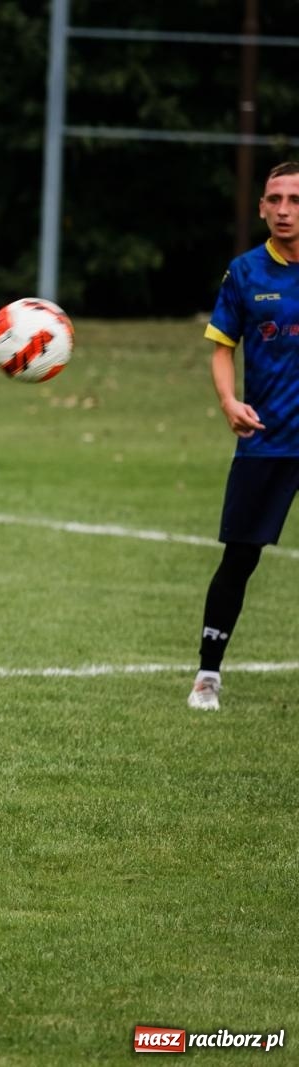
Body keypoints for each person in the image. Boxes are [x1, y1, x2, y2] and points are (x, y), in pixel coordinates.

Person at [188, 160, 299, 711]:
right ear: (261, 208)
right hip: (267, 439)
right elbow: (222, 348)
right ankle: (207, 675)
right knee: (239, 559)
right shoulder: (245, 273)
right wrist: (229, 402)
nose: (284, 210)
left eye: (295, 200)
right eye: (274, 200)